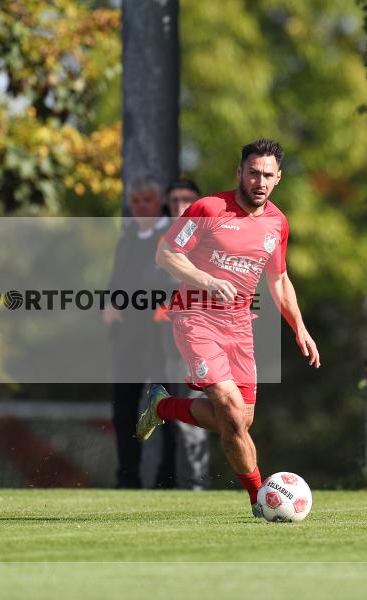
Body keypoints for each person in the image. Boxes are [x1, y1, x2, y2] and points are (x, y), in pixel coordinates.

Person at [136, 139, 320, 517]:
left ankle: (164, 406)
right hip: (195, 319)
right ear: (240, 173)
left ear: (278, 178)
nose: (260, 181)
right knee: (232, 415)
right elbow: (166, 254)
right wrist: (205, 280)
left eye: (268, 175)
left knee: (240, 419)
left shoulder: (277, 223)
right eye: (253, 172)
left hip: (240, 326)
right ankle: (260, 501)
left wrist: (299, 326)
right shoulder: (208, 209)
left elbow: (279, 281)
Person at [142, 179, 211, 490]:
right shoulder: (165, 238)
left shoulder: (206, 236)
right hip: (163, 335)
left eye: (187, 198)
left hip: (197, 335)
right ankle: (168, 483)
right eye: (174, 199)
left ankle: (197, 485)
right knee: (160, 410)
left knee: (193, 410)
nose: (180, 204)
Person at [104, 175, 170, 488]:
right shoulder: (128, 238)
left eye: (148, 200)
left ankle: (167, 478)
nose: (142, 206)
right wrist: (108, 304)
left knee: (165, 406)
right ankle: (127, 478)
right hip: (128, 336)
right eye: (137, 201)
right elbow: (116, 280)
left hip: (161, 336)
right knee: (124, 408)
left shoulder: (172, 235)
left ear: (159, 202)